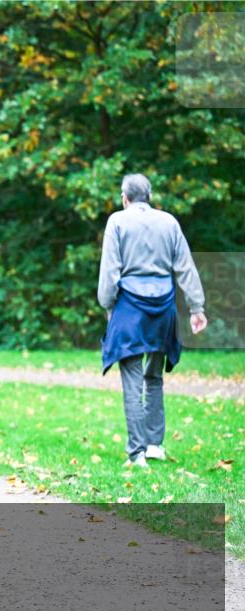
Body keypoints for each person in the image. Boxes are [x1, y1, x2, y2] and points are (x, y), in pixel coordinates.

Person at [98, 173, 207, 469]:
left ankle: (137, 454)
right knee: (154, 377)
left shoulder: (117, 222)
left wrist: (107, 305)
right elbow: (185, 267)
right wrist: (197, 307)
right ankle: (155, 445)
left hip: (130, 310)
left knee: (132, 380)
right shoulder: (169, 222)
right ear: (149, 196)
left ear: (125, 197)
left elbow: (110, 272)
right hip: (163, 309)